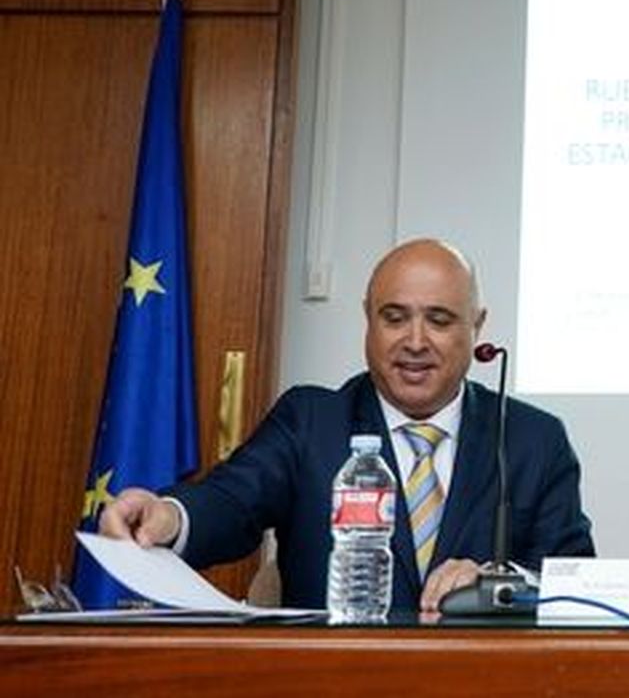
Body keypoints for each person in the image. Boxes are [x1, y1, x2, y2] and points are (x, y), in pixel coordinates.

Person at [99, 238, 595, 611]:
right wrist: (169, 516)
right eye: (394, 317)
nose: (415, 341)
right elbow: (232, 500)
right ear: (368, 319)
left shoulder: (533, 440)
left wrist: (498, 585)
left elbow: (575, 585)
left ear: (477, 326)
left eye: (440, 320)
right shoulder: (312, 421)